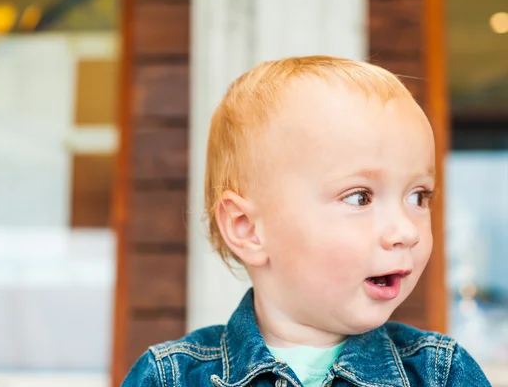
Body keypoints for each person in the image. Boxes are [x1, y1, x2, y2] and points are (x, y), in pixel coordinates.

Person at [122, 56, 491, 386]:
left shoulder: (440, 373)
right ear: (247, 229)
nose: (406, 231)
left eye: (418, 197)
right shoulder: (170, 376)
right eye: (360, 197)